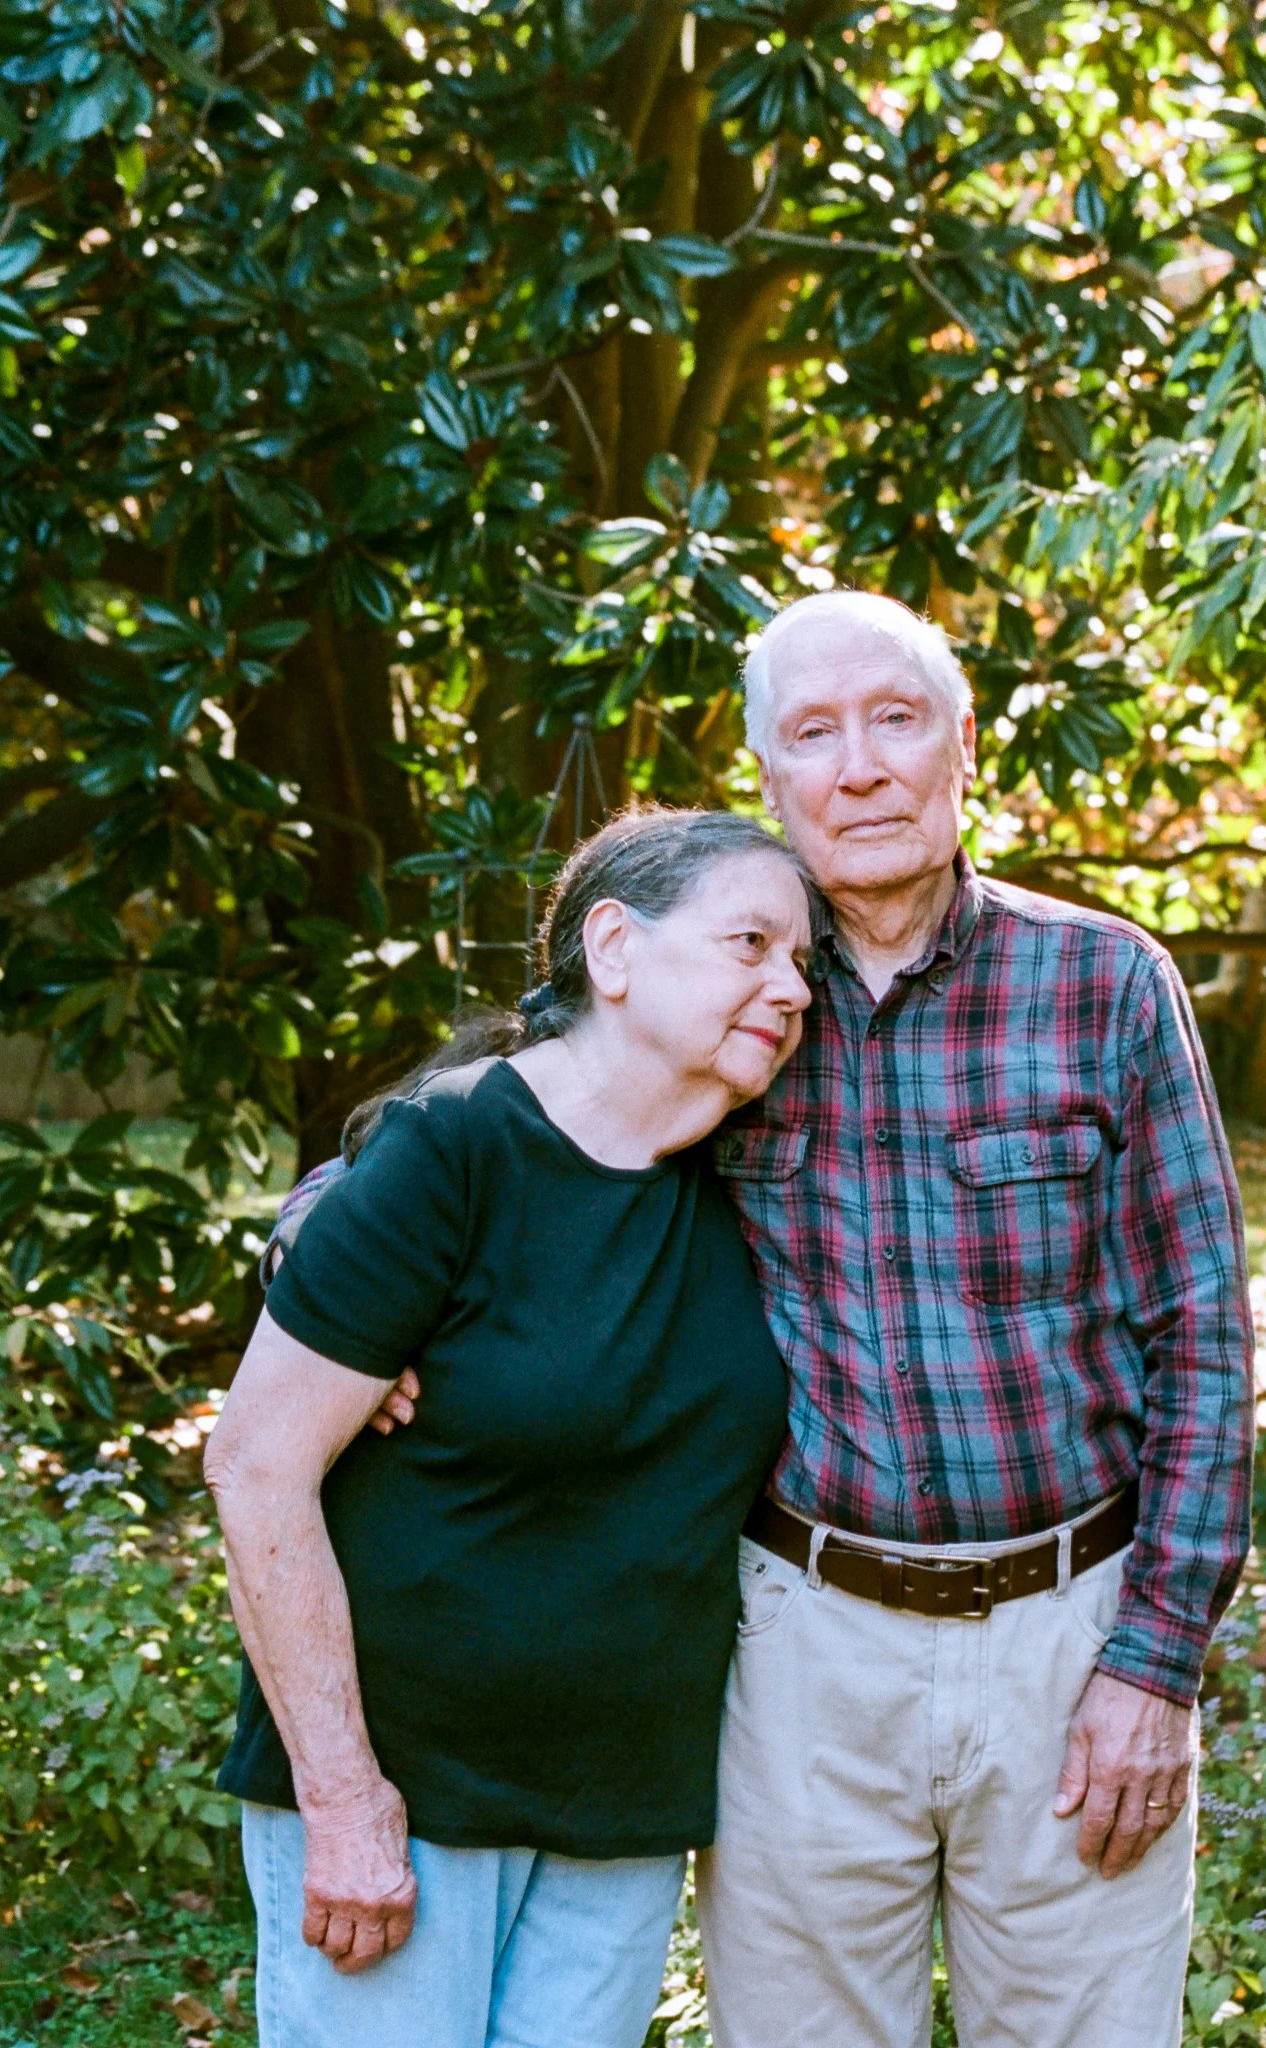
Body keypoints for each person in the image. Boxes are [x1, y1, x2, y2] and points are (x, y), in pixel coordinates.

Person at [303, 590, 1255, 2046]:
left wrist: (1155, 1663)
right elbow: (491, 1127)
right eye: (813, 733)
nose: (859, 766)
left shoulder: (1102, 982)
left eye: (895, 720)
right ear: (769, 780)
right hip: (801, 1642)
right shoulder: (728, 988)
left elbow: (1203, 1340)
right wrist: (313, 1241)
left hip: (1072, 1636)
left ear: (961, 746)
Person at [203, 806, 811, 2048]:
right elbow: (257, 1466)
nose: (790, 987)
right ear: (615, 947)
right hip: (403, 1797)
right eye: (751, 941)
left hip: (621, 1815)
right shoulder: (459, 1143)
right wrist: (343, 1798)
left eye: (802, 962)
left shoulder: (745, 1170)